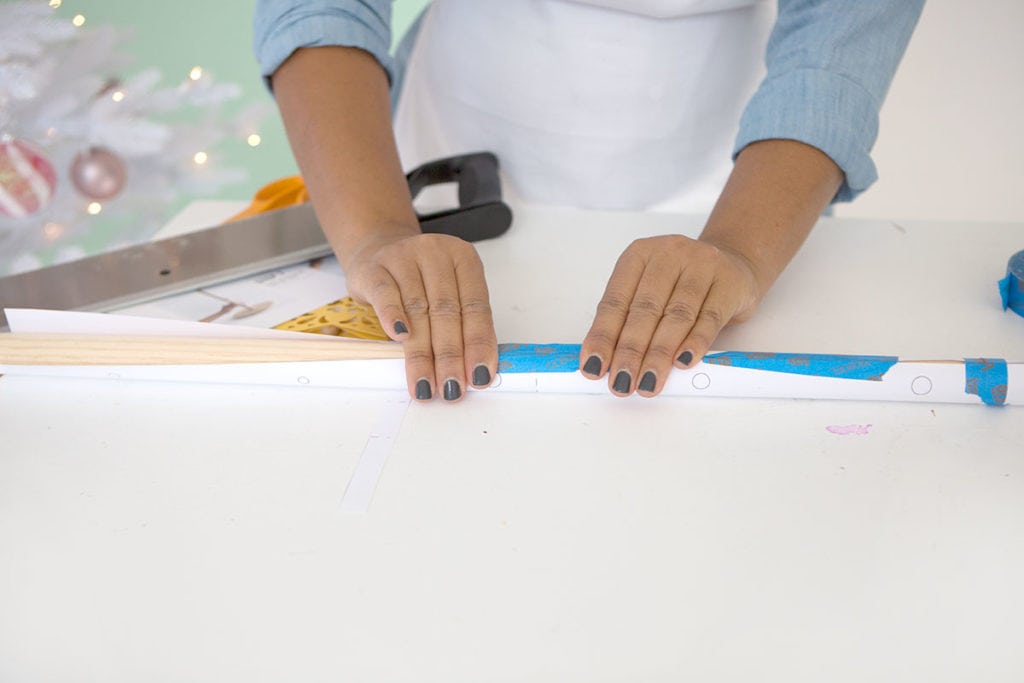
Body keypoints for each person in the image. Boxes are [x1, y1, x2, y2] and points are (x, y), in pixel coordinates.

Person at [253, 0, 924, 402]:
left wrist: (741, 249)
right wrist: (375, 230)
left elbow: (842, 32)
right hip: (440, 148)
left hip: (742, 177)